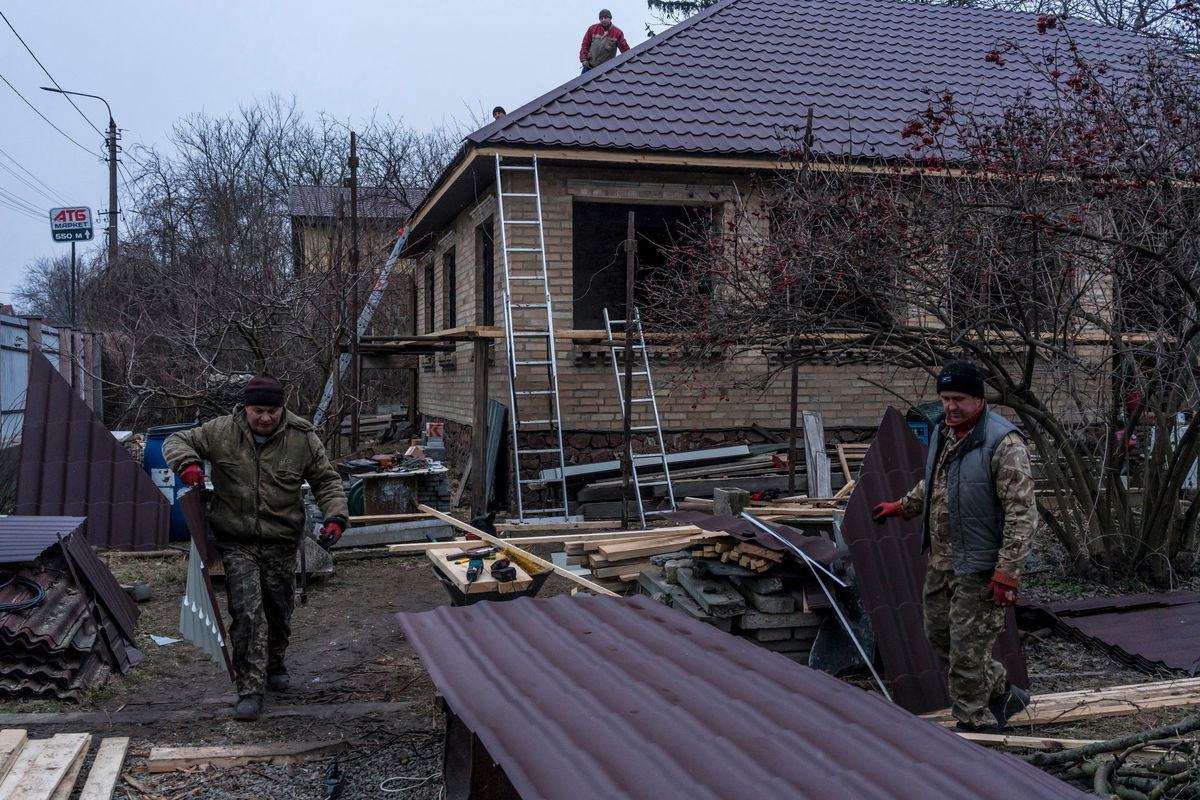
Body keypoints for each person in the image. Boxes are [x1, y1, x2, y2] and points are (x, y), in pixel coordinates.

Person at [164, 373, 347, 721]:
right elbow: (175, 441)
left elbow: (326, 481)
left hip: (281, 540)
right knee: (248, 614)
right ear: (245, 408)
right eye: (258, 410)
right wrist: (187, 464)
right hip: (235, 540)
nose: (265, 417)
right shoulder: (219, 431)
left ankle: (275, 661)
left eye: (272, 411)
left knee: (279, 613)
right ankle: (250, 688)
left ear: (283, 409)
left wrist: (336, 517)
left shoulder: (302, 437)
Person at [872, 360, 1035, 732]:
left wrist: (1008, 573)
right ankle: (1002, 692)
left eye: (958, 398)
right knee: (940, 636)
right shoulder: (945, 433)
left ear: (978, 399)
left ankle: (975, 725)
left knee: (966, 651)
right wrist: (903, 507)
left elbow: (1022, 515)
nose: (950, 406)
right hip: (943, 560)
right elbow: (936, 484)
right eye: (945, 398)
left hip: (981, 566)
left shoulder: (1004, 443)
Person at [580, 9, 630, 73]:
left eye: (605, 18)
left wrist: (629, 60)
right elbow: (585, 44)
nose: (603, 20)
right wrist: (584, 59)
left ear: (610, 18)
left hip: (606, 70)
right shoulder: (592, 29)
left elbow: (625, 48)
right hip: (589, 66)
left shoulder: (617, 33)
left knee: (605, 83)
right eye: (601, 18)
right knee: (583, 82)